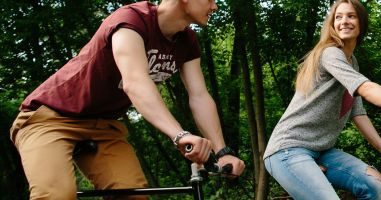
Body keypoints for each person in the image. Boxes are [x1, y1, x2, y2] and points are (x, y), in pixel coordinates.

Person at [9, 0, 245, 199]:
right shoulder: (132, 21)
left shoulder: (187, 41)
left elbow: (199, 96)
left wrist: (222, 151)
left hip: (103, 126)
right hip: (49, 118)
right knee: (57, 194)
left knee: (131, 194)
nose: (214, 6)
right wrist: (180, 135)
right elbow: (135, 82)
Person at [263, 0, 381, 199]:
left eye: (351, 16)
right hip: (288, 150)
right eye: (338, 17)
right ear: (332, 24)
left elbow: (358, 113)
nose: (344, 21)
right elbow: (366, 88)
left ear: (361, 23)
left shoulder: (352, 63)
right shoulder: (330, 53)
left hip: (321, 151)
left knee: (375, 186)